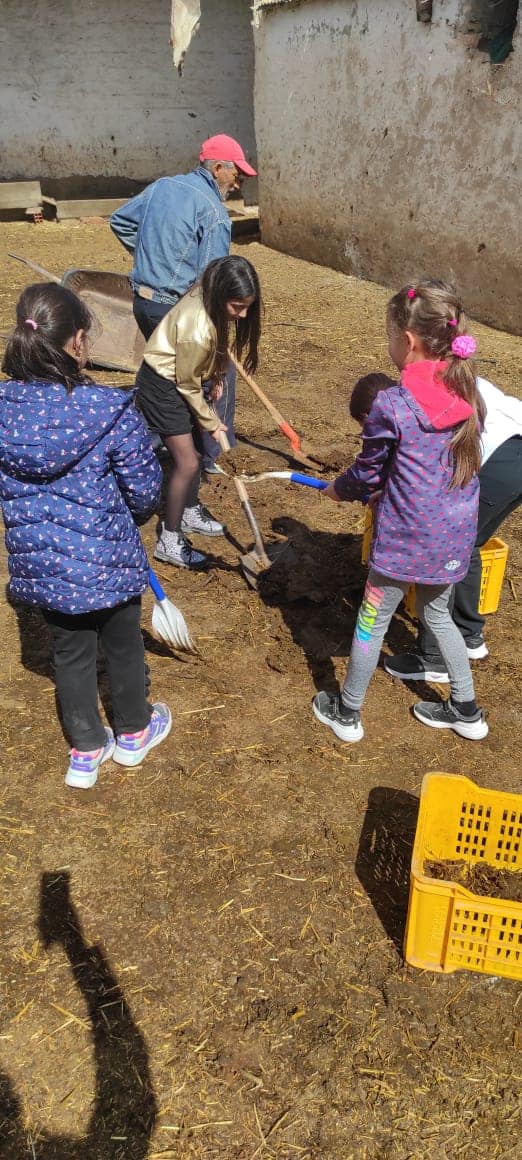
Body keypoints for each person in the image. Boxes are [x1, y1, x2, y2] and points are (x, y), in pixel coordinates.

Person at [0, 283, 172, 789]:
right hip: (109, 560)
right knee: (124, 645)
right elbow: (144, 488)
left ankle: (86, 749)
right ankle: (134, 734)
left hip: (44, 567)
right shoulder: (110, 409)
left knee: (69, 653)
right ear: (79, 341)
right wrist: (134, 518)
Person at [312, 279, 489, 743]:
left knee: (371, 622)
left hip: (403, 543)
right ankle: (466, 709)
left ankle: (347, 711)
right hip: (451, 541)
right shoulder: (469, 396)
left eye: (390, 336)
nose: (389, 344)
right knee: (438, 618)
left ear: (407, 341)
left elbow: (368, 474)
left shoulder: (391, 405)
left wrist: (338, 490)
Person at [110, 133, 257, 473]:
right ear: (218, 168)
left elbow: (120, 220)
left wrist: (151, 256)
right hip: (174, 310)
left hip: (143, 304)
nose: (238, 185)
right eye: (237, 176)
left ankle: (156, 445)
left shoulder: (162, 186)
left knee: (168, 375)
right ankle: (215, 458)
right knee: (215, 376)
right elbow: (212, 286)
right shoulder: (215, 214)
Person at [384, 376, 522, 681]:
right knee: (469, 542)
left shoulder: (411, 404)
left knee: (447, 545)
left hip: (500, 456)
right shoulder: (456, 374)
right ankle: (469, 635)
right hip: (514, 451)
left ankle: (435, 658)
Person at [135, 254, 262, 569]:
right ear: (221, 297)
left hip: (181, 377)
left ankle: (189, 510)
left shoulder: (207, 291)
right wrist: (213, 422)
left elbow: (211, 350)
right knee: (189, 462)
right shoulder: (197, 326)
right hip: (163, 384)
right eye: (237, 307)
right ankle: (170, 539)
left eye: (248, 306)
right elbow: (187, 385)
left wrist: (216, 374)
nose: (243, 315)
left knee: (190, 450)